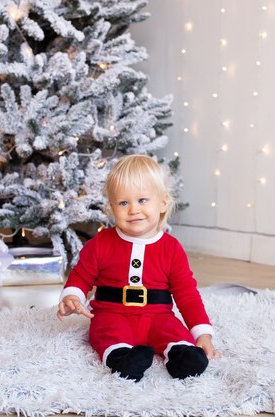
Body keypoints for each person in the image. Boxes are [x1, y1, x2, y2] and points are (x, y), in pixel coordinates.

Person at [57, 154, 218, 382]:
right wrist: (72, 296)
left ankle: (181, 355)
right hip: (112, 313)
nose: (133, 209)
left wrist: (202, 334)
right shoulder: (101, 244)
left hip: (157, 315)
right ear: (112, 208)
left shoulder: (171, 248)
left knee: (173, 330)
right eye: (123, 203)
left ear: (162, 203)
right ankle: (122, 358)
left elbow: (186, 294)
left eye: (143, 200)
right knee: (106, 333)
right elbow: (81, 277)